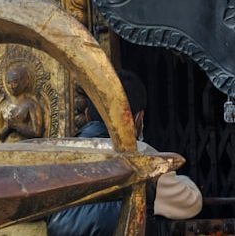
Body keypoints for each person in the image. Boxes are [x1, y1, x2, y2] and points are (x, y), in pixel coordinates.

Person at [46, 70, 202, 235]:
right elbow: (191, 202)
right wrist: (184, 180)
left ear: (86, 115)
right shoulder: (144, 159)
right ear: (138, 119)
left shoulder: (59, 158)